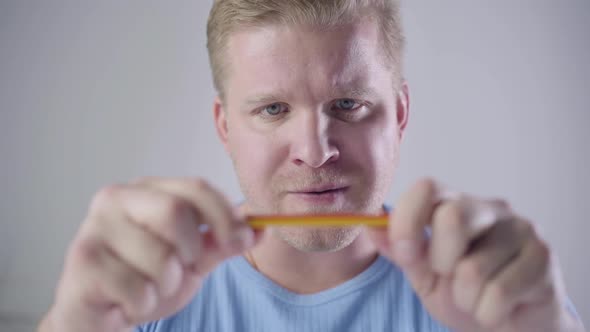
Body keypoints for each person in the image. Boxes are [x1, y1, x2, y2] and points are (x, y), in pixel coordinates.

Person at [37, 0, 585, 331]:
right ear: (225, 125)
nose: (316, 151)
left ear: (399, 114)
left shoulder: (491, 295)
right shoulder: (141, 293)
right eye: (273, 109)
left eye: (348, 105)